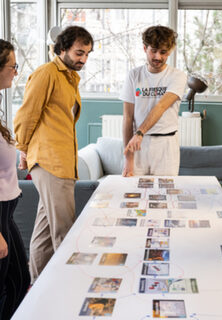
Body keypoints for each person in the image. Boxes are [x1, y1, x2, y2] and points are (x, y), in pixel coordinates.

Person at [14, 26, 93, 284]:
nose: (83, 59)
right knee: (64, 231)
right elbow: (26, 115)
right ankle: (66, 289)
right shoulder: (46, 73)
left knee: (44, 233)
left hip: (62, 163)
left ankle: (37, 286)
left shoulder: (69, 78)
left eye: (87, 54)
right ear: (62, 49)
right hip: (50, 163)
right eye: (79, 52)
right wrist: (23, 149)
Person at [120, 25, 187, 177]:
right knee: (134, 194)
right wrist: (128, 158)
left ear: (169, 51)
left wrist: (140, 132)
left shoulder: (177, 76)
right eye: (153, 51)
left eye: (163, 52)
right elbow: (127, 117)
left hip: (166, 145)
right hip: (138, 145)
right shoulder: (133, 75)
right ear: (145, 48)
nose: (158, 57)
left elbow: (161, 106)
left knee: (165, 195)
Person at [0, 39, 30, 320]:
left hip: (7, 212)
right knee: (3, 288)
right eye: (13, 66)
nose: (16, 72)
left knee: (20, 281)